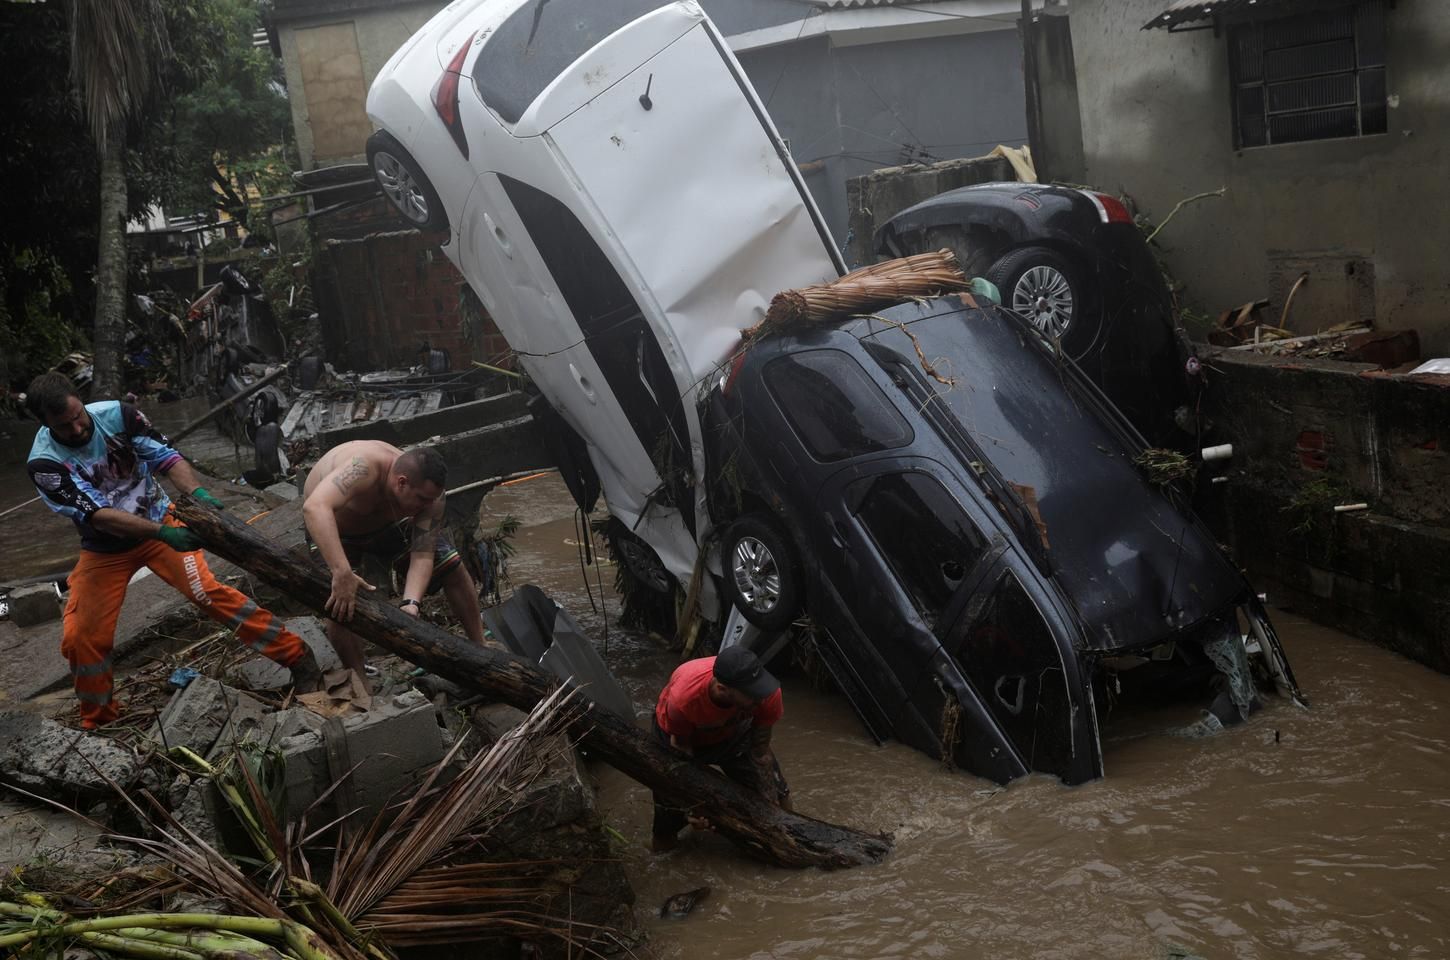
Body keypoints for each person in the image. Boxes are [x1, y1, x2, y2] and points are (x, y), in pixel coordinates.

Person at [25, 373, 323, 730]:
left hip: (158, 515)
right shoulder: (45, 464)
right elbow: (99, 516)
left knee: (207, 592)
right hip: (106, 546)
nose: (76, 429)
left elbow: (166, 458)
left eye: (78, 417)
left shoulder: (119, 416)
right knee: (81, 637)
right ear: (44, 425)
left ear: (81, 401)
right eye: (64, 426)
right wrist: (164, 534)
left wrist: (197, 496)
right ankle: (99, 720)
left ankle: (298, 657)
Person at [301, 440, 489, 677]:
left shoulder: (431, 498)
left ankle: (482, 651)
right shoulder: (363, 466)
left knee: (452, 566)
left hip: (389, 524)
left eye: (432, 499)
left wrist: (411, 603)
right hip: (335, 529)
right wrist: (342, 572)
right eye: (422, 499)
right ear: (401, 483)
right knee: (340, 601)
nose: (429, 506)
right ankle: (358, 681)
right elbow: (315, 507)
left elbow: (422, 555)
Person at [651, 645, 792, 852]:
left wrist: (772, 808)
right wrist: (693, 806)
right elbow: (681, 750)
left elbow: (760, 751)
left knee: (780, 794)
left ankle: (792, 836)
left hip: (732, 734)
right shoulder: (685, 699)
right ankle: (663, 856)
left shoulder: (768, 694)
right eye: (753, 694)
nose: (761, 699)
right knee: (669, 812)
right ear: (722, 689)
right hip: (677, 739)